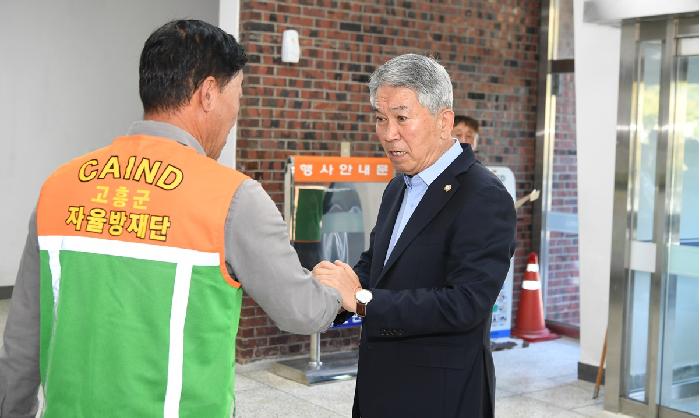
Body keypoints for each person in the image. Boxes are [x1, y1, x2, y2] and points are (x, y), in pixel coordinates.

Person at [0, 20, 354, 418]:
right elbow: (301, 311)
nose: (236, 113)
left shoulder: (58, 188)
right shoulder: (233, 198)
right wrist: (338, 290)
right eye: (237, 96)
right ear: (207, 94)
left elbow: (23, 339)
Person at [314, 54, 517, 418]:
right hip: (381, 386)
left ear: (444, 121)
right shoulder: (399, 187)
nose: (388, 133)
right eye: (380, 118)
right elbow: (377, 266)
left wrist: (360, 300)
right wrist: (329, 293)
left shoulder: (483, 195)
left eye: (402, 118)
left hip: (440, 396)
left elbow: (466, 304)